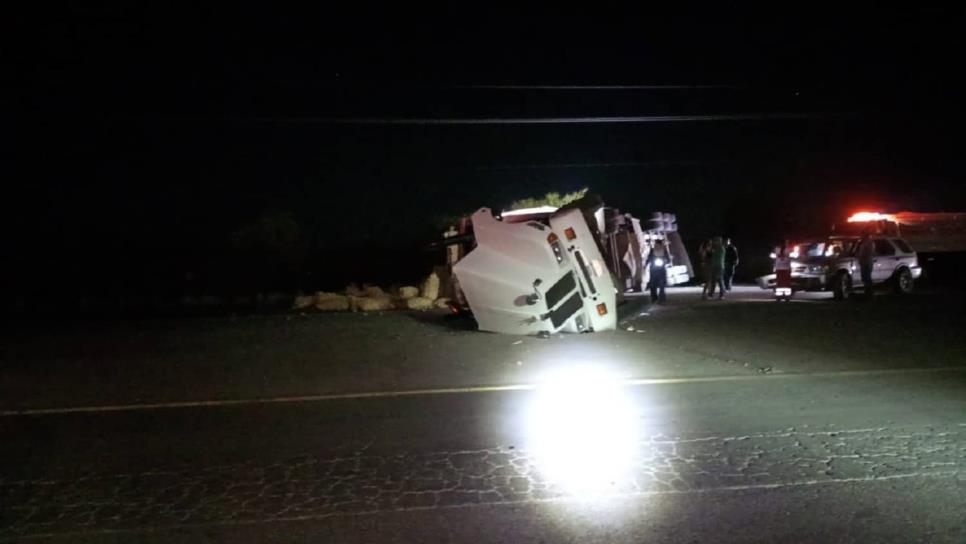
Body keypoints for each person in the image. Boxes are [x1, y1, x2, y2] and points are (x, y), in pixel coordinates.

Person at [857, 231, 875, 300]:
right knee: (865, 278)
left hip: (867, 262)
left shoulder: (869, 243)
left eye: (862, 235)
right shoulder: (863, 243)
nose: (861, 237)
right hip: (864, 263)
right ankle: (867, 293)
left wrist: (863, 258)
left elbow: (869, 253)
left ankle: (870, 294)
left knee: (867, 278)